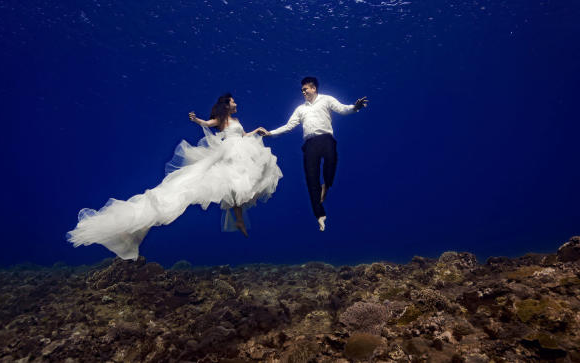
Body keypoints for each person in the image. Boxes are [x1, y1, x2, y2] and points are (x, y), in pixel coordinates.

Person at [67, 93, 282, 260]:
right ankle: (239, 220)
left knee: (242, 186)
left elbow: (241, 135)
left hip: (241, 152)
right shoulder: (221, 119)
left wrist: (256, 132)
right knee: (222, 185)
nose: (236, 104)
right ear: (226, 105)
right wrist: (196, 119)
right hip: (228, 154)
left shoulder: (236, 121)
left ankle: (239, 220)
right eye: (233, 102)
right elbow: (207, 124)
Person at [260, 77, 367, 231]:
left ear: (314, 88)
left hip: (326, 138)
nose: (303, 92)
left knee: (331, 161)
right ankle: (320, 215)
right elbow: (289, 126)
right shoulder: (300, 109)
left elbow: (343, 109)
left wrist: (355, 107)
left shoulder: (326, 99)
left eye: (306, 89)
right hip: (310, 144)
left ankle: (327, 185)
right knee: (311, 179)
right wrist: (270, 133)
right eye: (302, 90)